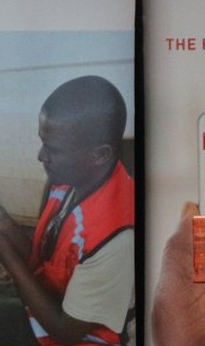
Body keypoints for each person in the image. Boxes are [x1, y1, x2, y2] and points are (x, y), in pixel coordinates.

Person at [0, 75, 135, 346]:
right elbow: (46, 263)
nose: (41, 156)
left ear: (100, 154)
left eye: (53, 149)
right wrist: (4, 223)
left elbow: (66, 333)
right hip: (49, 308)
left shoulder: (117, 236)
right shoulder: (67, 180)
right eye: (43, 142)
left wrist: (5, 252)